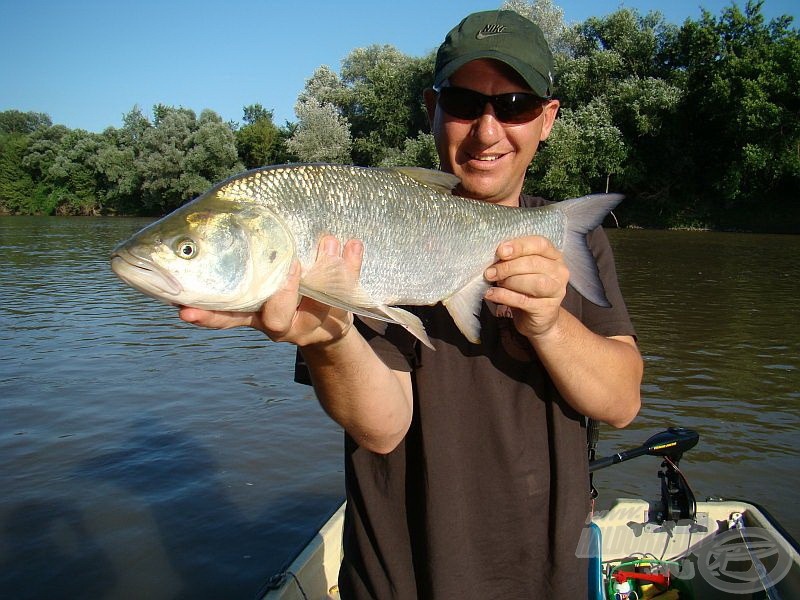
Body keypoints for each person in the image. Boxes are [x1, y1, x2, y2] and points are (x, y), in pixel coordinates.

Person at [180, 9, 643, 599]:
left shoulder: (571, 236)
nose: (487, 130)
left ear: (547, 119)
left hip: (542, 577)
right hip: (399, 581)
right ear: (433, 109)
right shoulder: (359, 229)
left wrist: (550, 325)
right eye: (464, 102)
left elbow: (622, 401)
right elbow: (382, 428)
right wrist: (329, 334)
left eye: (516, 105)